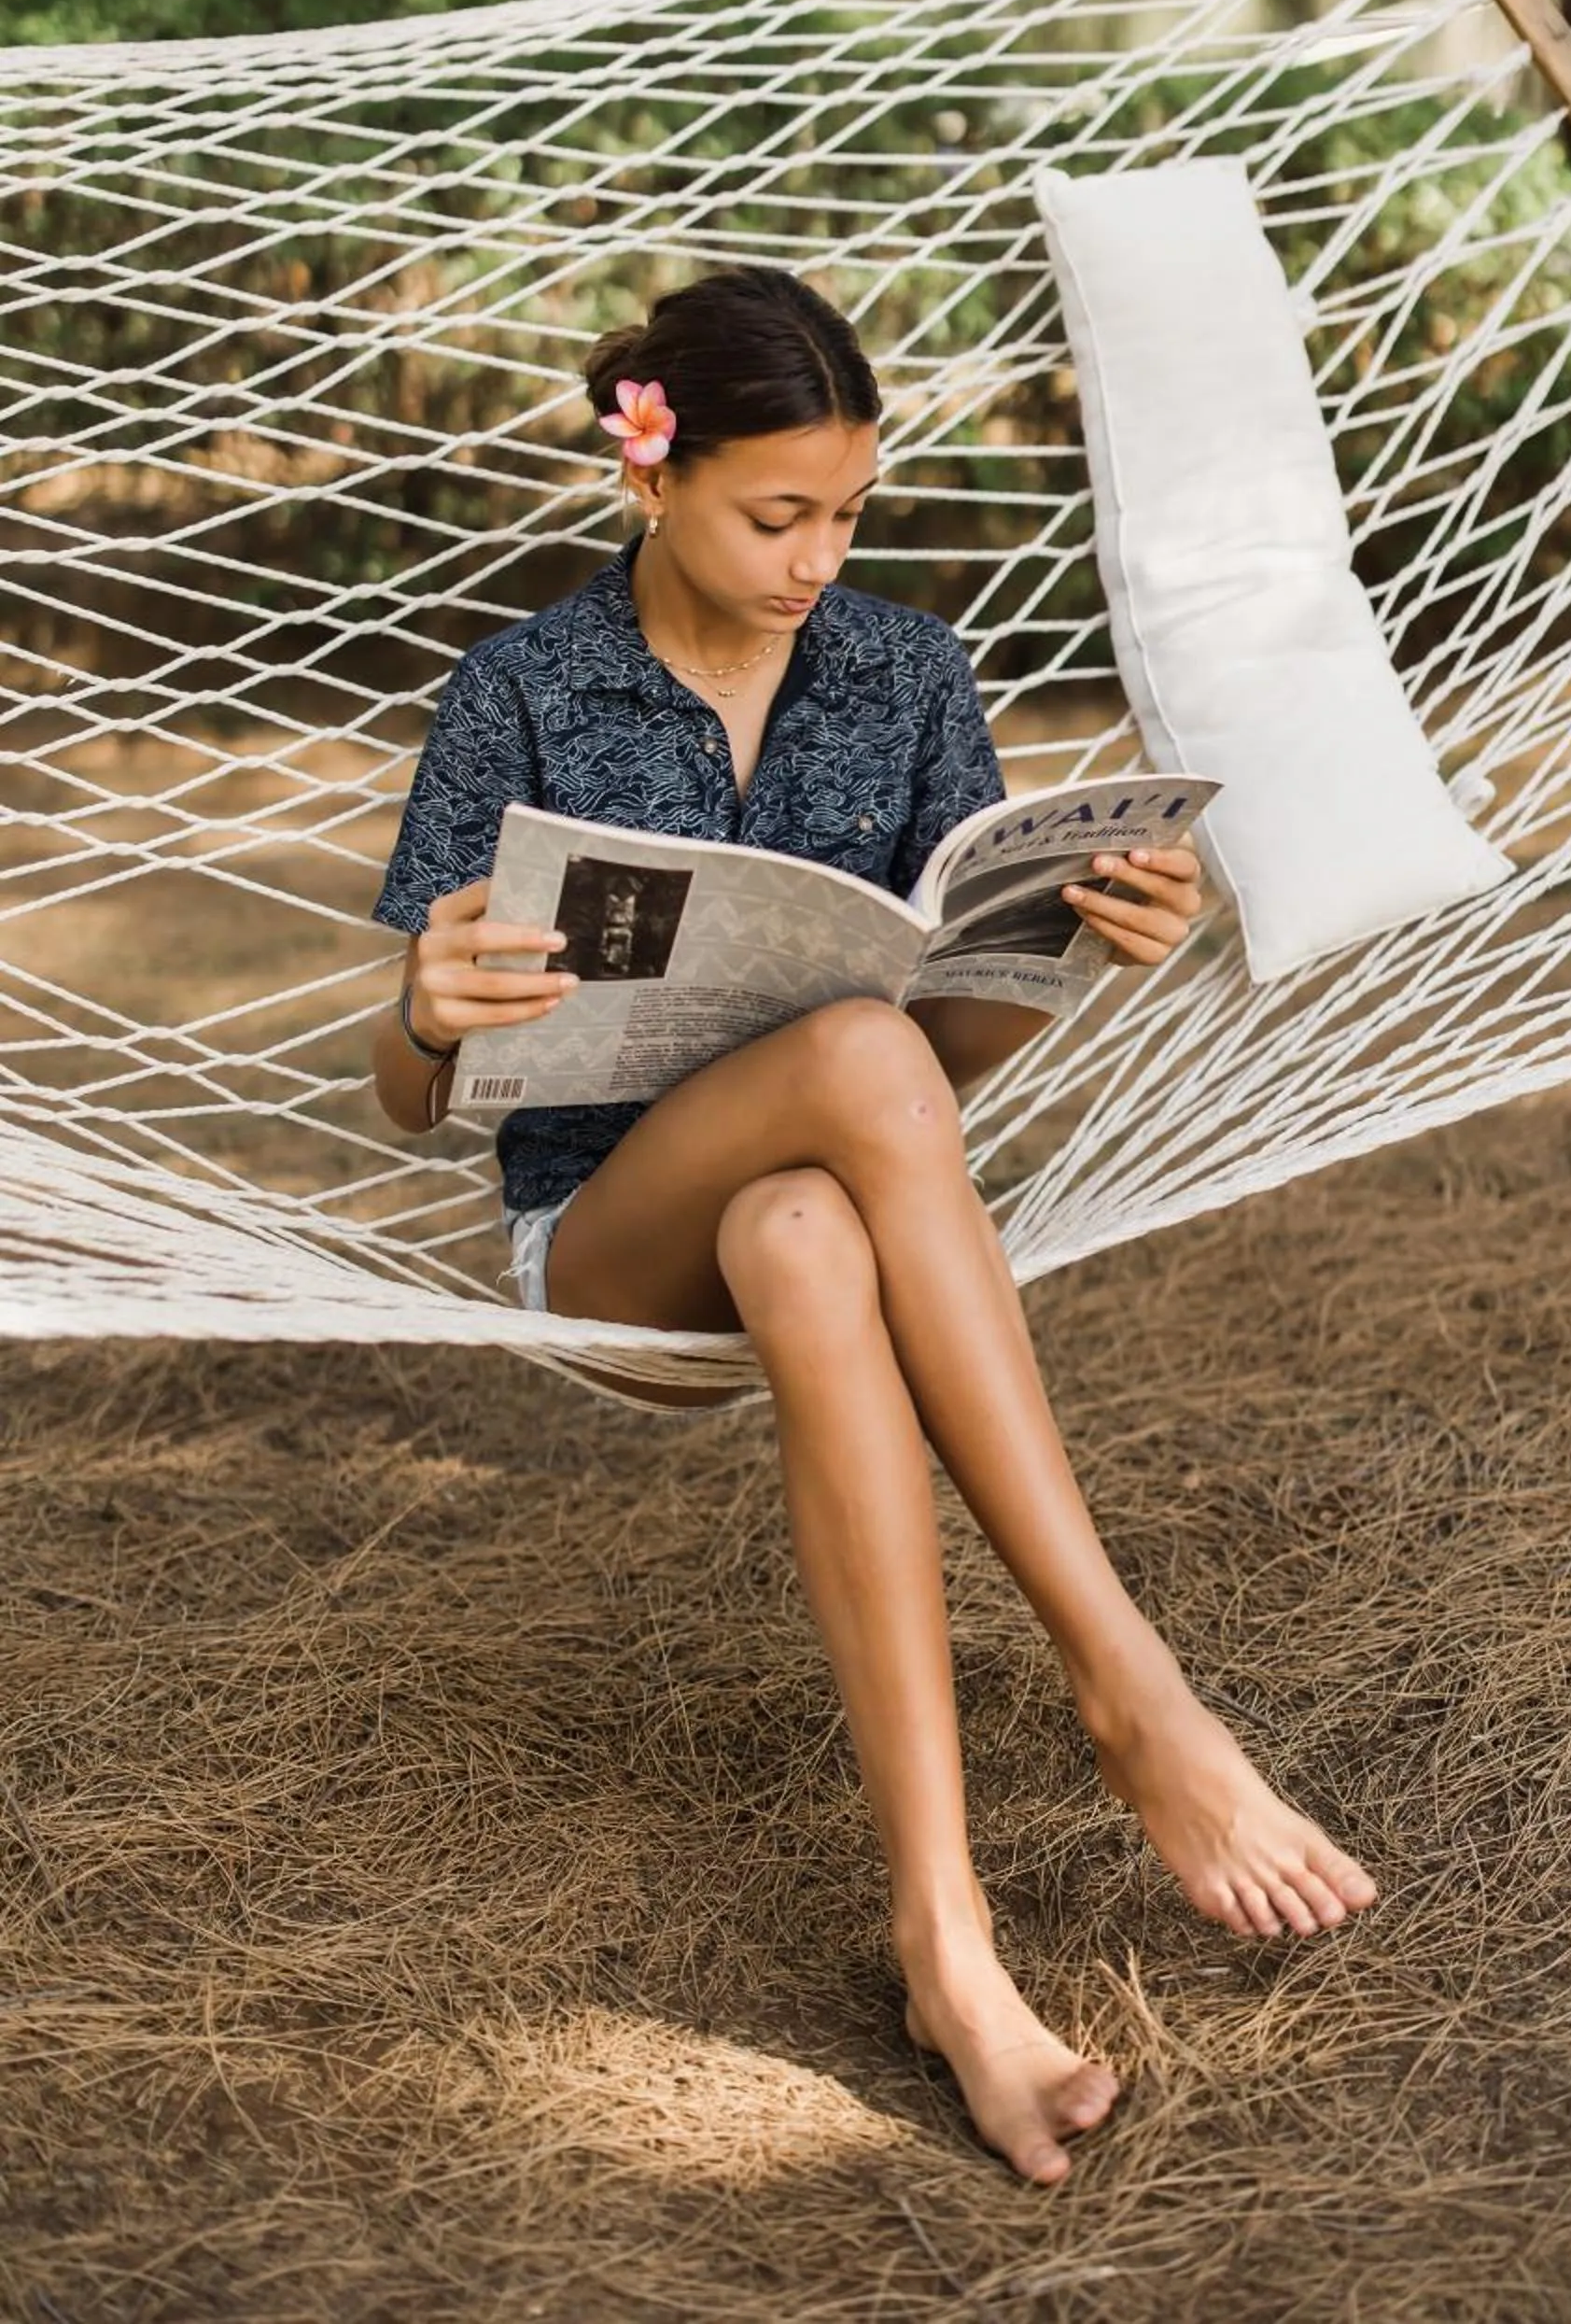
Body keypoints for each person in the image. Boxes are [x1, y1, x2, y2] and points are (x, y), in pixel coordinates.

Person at [371, 264, 1377, 2184]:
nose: (819, 556)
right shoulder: (520, 689)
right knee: (844, 1052)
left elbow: (941, 1066)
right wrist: (430, 1011)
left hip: (819, 1214)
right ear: (648, 475)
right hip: (601, 1248)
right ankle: (1122, 1678)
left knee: (818, 1227)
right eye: (777, 515)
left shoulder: (907, 674)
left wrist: (1083, 948)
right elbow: (409, 1100)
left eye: (846, 512)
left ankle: (946, 1943)